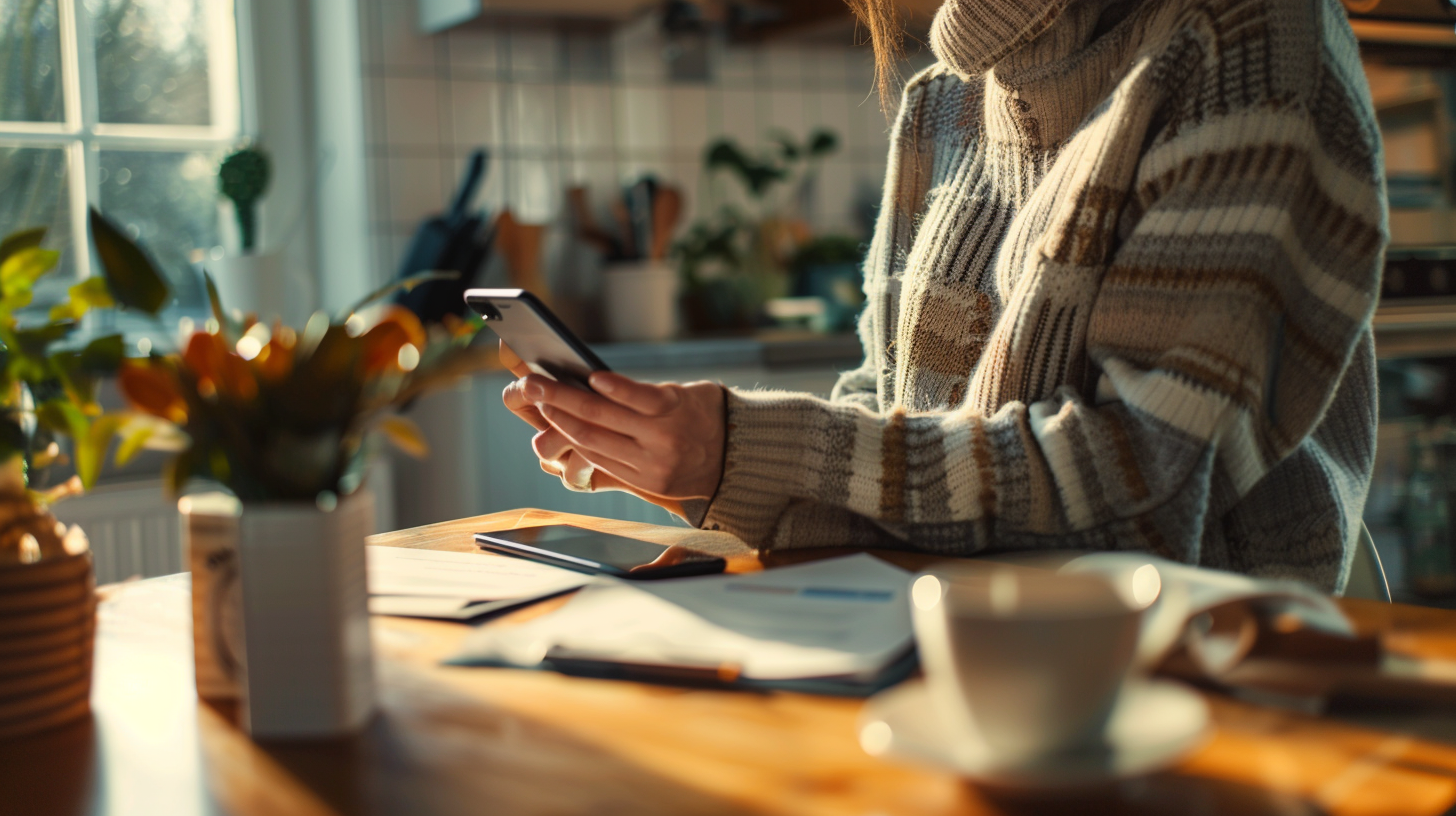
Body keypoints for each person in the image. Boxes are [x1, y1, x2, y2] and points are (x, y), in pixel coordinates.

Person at [502, 0, 1387, 592]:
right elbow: (885, 413)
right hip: (954, 644)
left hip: (1212, 688)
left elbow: (1148, 495)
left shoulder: (1244, 38)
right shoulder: (941, 107)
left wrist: (747, 451)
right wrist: (707, 470)